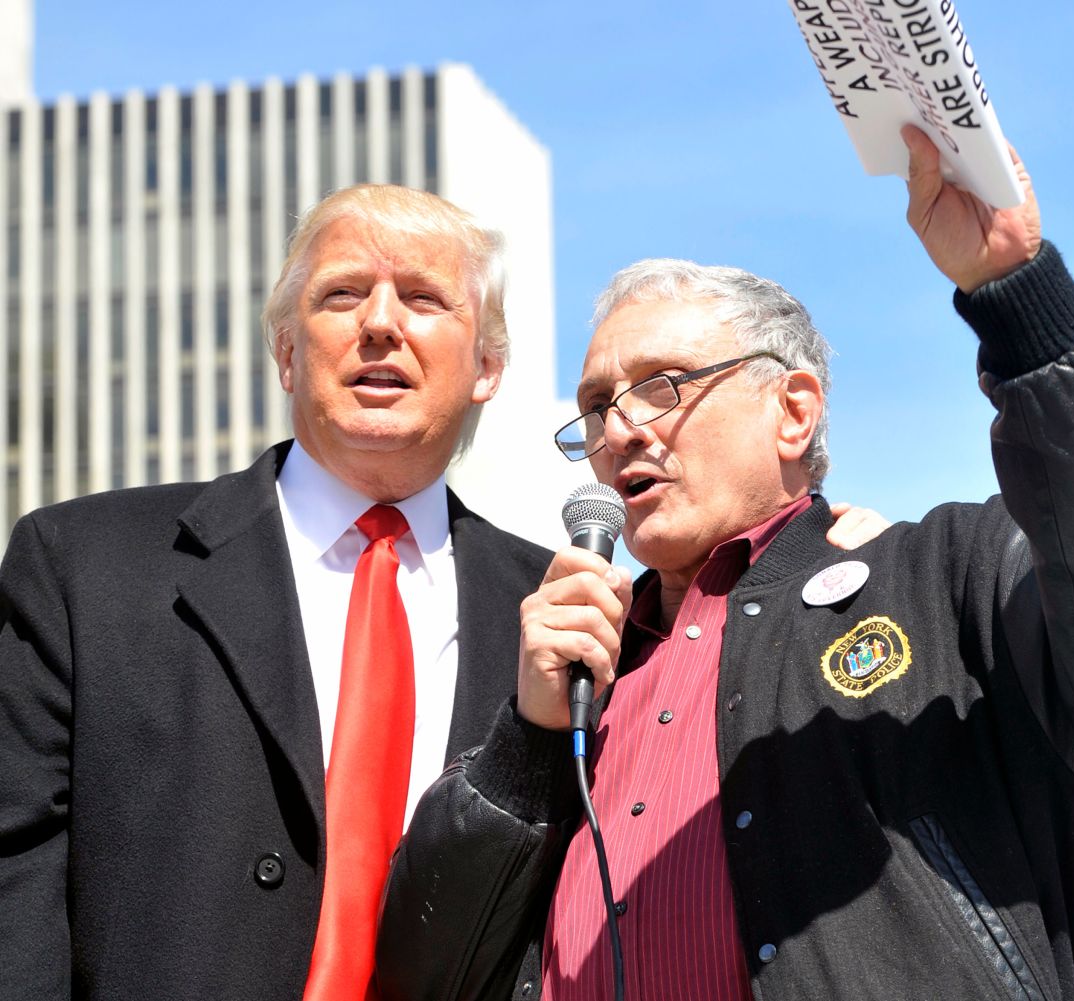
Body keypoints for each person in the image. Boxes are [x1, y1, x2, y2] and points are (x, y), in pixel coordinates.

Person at [374, 127, 1074, 1001]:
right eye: (598, 405)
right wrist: (528, 740)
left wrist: (1021, 297)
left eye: (661, 386)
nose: (619, 430)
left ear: (792, 412)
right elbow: (419, 974)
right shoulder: (566, 674)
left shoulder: (943, 582)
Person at [0, 182, 883, 1001]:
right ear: (285, 351)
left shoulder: (571, 611)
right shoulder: (85, 564)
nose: (381, 323)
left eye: (423, 299)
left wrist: (840, 562)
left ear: (488, 368)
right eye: (342, 295)